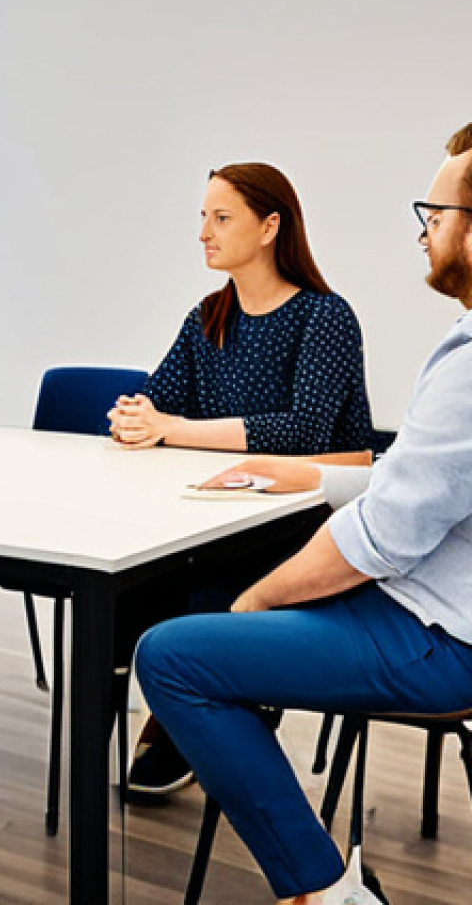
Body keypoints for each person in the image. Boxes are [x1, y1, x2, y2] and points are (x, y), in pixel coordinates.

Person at [134, 136, 472, 905]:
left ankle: (323, 892)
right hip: (428, 601)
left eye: (435, 212)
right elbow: (410, 484)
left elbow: (384, 533)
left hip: (436, 633)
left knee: (175, 656)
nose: (422, 230)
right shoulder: (209, 315)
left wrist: (258, 600)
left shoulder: (390, 338)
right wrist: (312, 475)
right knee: (172, 607)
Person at [107, 163, 374, 796]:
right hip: (213, 510)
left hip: (303, 520)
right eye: (202, 216)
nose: (204, 231)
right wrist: (135, 418)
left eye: (221, 217)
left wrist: (171, 428)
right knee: (125, 593)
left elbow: (304, 431)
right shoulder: (208, 317)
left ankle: (199, 715)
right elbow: (156, 399)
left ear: (269, 227)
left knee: (209, 592)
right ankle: (175, 709)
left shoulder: (324, 317)